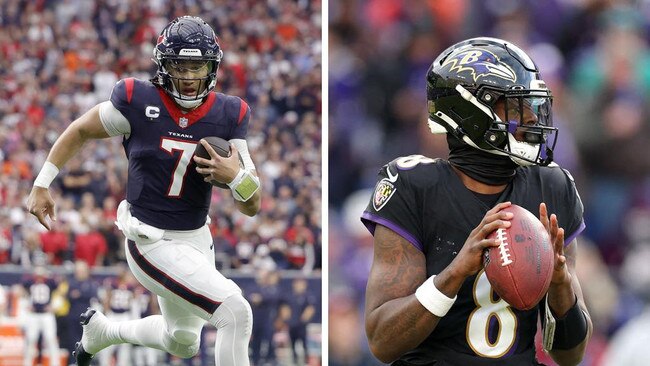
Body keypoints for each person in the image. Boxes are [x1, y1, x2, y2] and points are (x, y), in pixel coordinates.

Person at [26, 15, 261, 366]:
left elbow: (252, 206)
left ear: (211, 68)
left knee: (183, 342)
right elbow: (80, 130)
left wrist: (237, 177)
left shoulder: (229, 114)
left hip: (196, 238)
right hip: (151, 240)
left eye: (197, 67)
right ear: (164, 66)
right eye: (180, 66)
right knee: (235, 311)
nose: (189, 77)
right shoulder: (137, 100)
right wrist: (42, 182)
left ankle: (104, 332)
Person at [361, 37, 592, 365]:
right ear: (471, 112)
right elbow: (382, 342)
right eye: (514, 105)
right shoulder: (413, 186)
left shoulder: (552, 186)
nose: (531, 117)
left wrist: (560, 285)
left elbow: (570, 355)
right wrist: (453, 274)